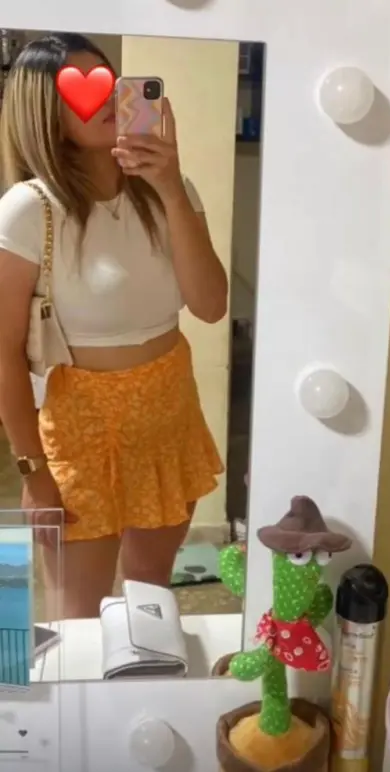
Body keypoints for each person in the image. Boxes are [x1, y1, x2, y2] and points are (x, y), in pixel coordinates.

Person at [0, 33, 227, 619]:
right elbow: (3, 355)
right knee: (79, 614)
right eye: (81, 90)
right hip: (82, 436)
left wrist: (170, 187)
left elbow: (209, 305)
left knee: (151, 597)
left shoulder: (170, 193)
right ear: (44, 111)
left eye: (108, 82)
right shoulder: (28, 210)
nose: (105, 98)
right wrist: (34, 472)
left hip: (168, 416)